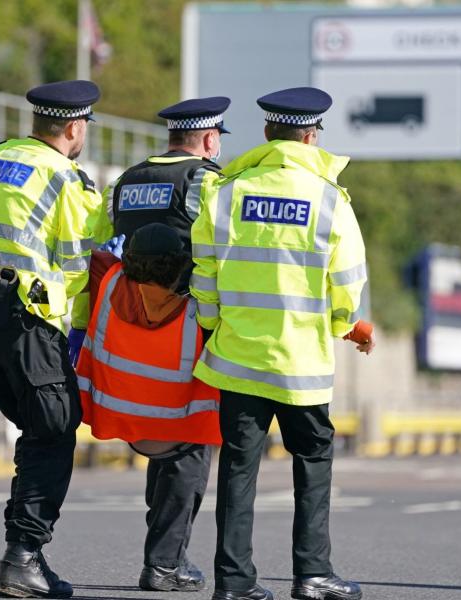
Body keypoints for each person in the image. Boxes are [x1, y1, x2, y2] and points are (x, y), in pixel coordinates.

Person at [190, 87, 374, 600]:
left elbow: (203, 275)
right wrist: (339, 325)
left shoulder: (225, 192)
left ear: (268, 133)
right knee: (313, 459)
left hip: (238, 359)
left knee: (238, 467)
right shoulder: (329, 199)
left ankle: (233, 581)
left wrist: (213, 328)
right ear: (312, 137)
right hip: (300, 364)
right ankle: (313, 574)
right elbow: (348, 285)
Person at [0, 80, 111, 599]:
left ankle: (27, 557)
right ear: (75, 128)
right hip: (27, 316)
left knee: (39, 430)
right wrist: (75, 327)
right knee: (54, 428)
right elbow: (78, 264)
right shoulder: (66, 177)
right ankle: (22, 557)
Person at [74, 98, 230, 593]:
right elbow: (225, 250)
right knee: (190, 440)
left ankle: (163, 557)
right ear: (209, 140)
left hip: (126, 323)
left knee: (162, 439)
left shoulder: (127, 182)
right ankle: (164, 563)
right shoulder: (208, 182)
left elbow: (99, 245)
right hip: (188, 325)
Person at [75, 224, 222, 582]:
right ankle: (164, 565)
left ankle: (167, 557)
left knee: (165, 478)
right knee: (184, 478)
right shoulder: (198, 305)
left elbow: (89, 254)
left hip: (126, 417)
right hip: (181, 423)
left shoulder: (108, 280)